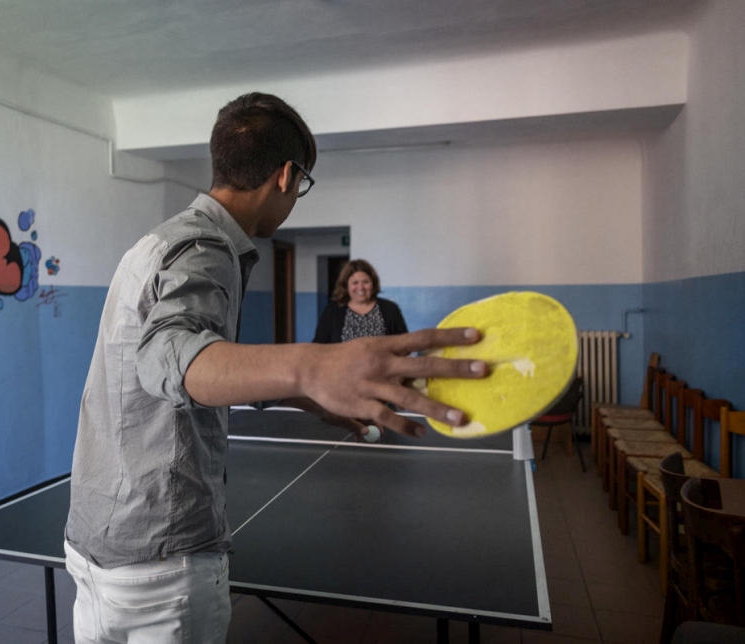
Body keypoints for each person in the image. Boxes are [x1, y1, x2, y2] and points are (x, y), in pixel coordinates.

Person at [64, 92, 487, 644]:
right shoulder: (206, 246)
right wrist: (312, 367)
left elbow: (189, 371)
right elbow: (169, 357)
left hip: (95, 545)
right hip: (160, 561)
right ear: (287, 176)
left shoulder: (155, 243)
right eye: (303, 185)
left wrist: (304, 395)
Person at [313, 258, 408, 343]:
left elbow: (403, 345)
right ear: (346, 286)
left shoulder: (390, 309)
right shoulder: (332, 311)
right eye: (355, 283)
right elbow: (319, 346)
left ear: (373, 283)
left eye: (366, 282)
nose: (361, 287)